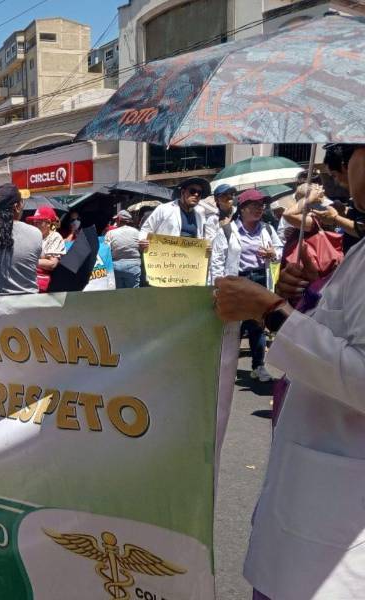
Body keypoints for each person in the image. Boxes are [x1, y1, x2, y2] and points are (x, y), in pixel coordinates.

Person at [214, 143, 365, 600]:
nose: (340, 169)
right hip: (319, 497)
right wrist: (300, 302)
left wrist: (274, 312)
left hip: (336, 529)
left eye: (350, 152)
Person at [210, 189, 282, 382]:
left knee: (258, 323)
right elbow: (217, 261)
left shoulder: (267, 229)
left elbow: (279, 249)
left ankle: (258, 366)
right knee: (234, 325)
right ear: (242, 209)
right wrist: (217, 287)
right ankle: (225, 366)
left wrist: (273, 254)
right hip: (238, 281)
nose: (259, 209)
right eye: (255, 206)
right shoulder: (226, 231)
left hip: (259, 278)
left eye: (261, 206)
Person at [139, 177, 213, 249]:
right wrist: (143, 240)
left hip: (190, 259)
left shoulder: (200, 214)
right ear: (183, 192)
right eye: (192, 191)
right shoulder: (164, 209)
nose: (196, 195)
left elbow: (203, 237)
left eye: (199, 193)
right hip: (166, 257)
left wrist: (207, 245)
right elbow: (146, 229)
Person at [26, 206, 65, 292]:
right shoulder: (34, 236)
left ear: (48, 223)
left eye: (39, 222)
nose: (35, 225)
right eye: (34, 222)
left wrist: (28, 261)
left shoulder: (55, 237)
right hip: (28, 278)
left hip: (42, 284)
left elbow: (52, 264)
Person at [104, 210, 141, 288]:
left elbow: (105, 250)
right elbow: (141, 247)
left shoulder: (110, 233)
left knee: (119, 294)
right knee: (133, 294)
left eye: (116, 219)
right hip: (134, 266)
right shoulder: (137, 232)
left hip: (116, 267)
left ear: (119, 219)